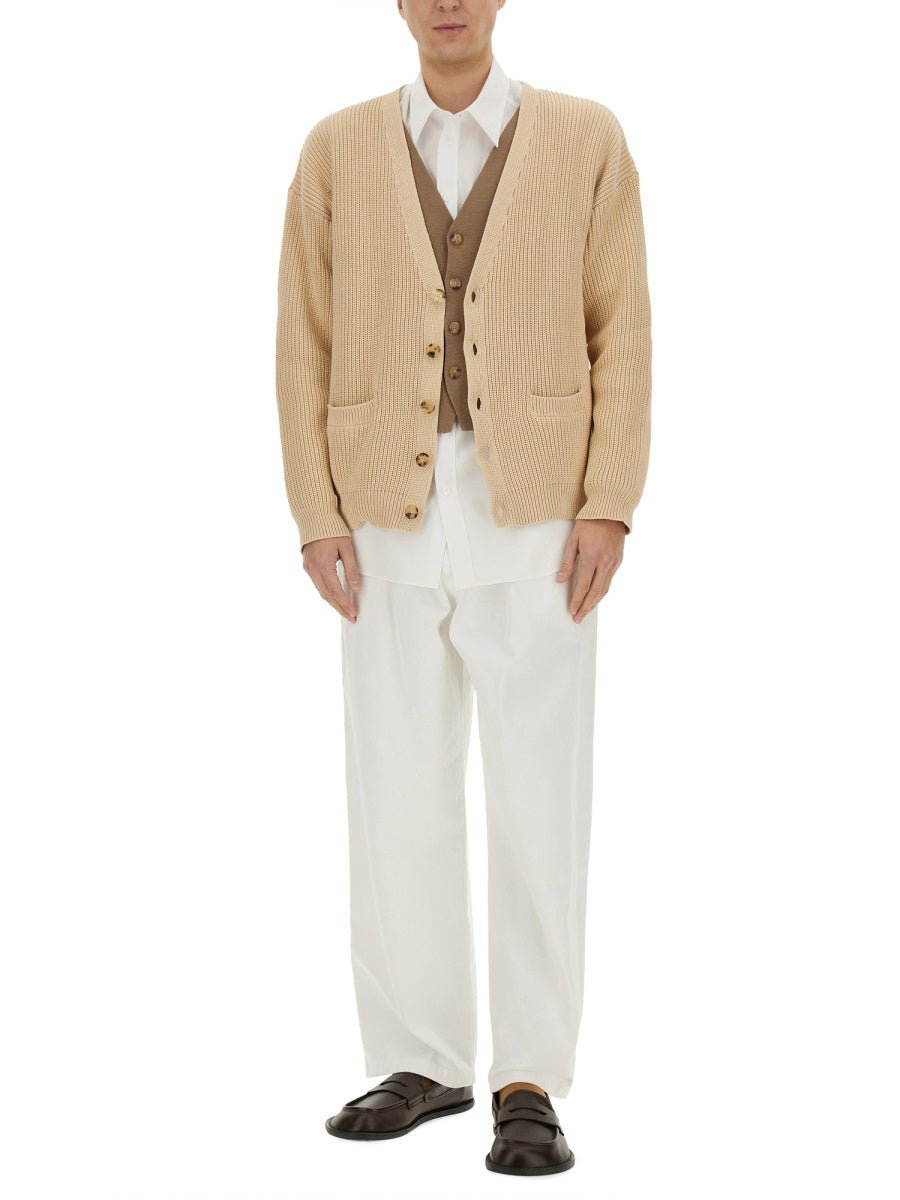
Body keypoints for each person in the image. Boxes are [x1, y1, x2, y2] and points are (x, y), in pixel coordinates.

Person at [274, 0, 652, 1177]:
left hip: (537, 517)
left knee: (540, 802)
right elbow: (302, 338)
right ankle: (422, 1058)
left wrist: (610, 498)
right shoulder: (336, 149)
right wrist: (314, 511)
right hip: (380, 516)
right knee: (396, 792)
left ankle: (528, 1077)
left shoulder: (587, 138)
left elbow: (624, 327)